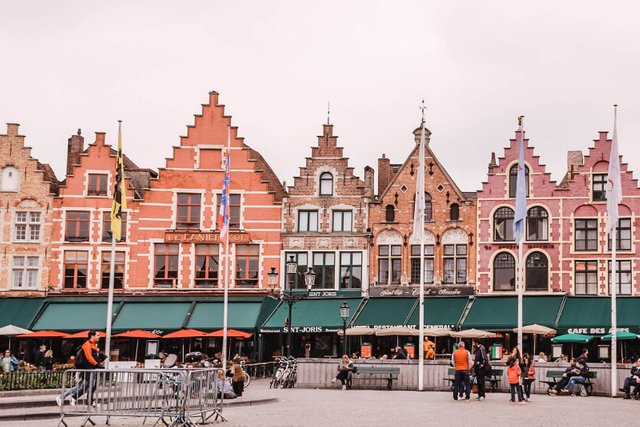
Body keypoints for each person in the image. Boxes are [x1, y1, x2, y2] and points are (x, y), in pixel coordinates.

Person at [56, 330, 104, 407]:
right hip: (88, 369)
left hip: (90, 368)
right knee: (84, 386)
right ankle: (63, 397)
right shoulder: (87, 344)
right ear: (92, 336)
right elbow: (89, 357)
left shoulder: (93, 345)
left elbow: (93, 356)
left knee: (88, 385)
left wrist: (99, 360)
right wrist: (96, 364)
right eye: (97, 335)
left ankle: (84, 400)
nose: (99, 336)